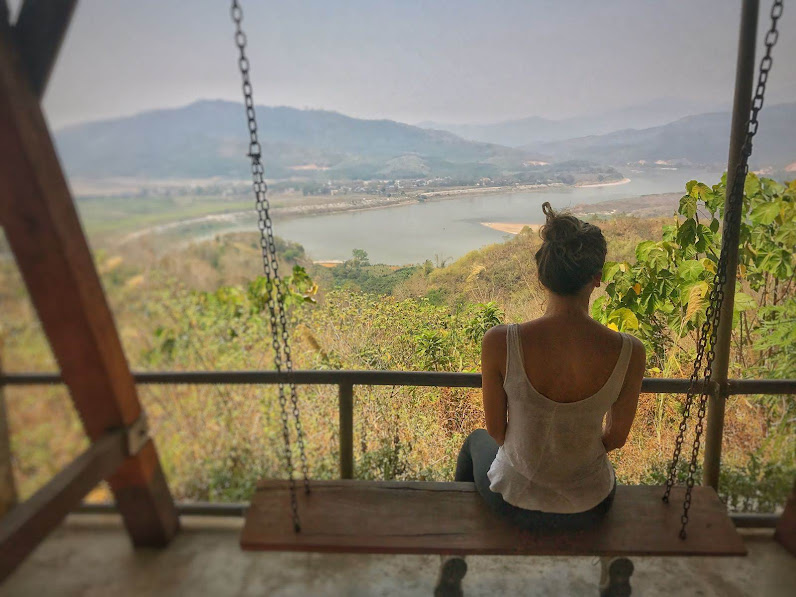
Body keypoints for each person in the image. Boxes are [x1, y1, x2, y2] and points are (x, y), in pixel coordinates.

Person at [454, 202, 646, 531]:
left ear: (543, 276)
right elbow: (615, 437)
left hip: (515, 501)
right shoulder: (630, 351)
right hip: (591, 503)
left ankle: (456, 543)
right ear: (596, 279)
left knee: (475, 442)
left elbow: (497, 432)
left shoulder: (500, 342)